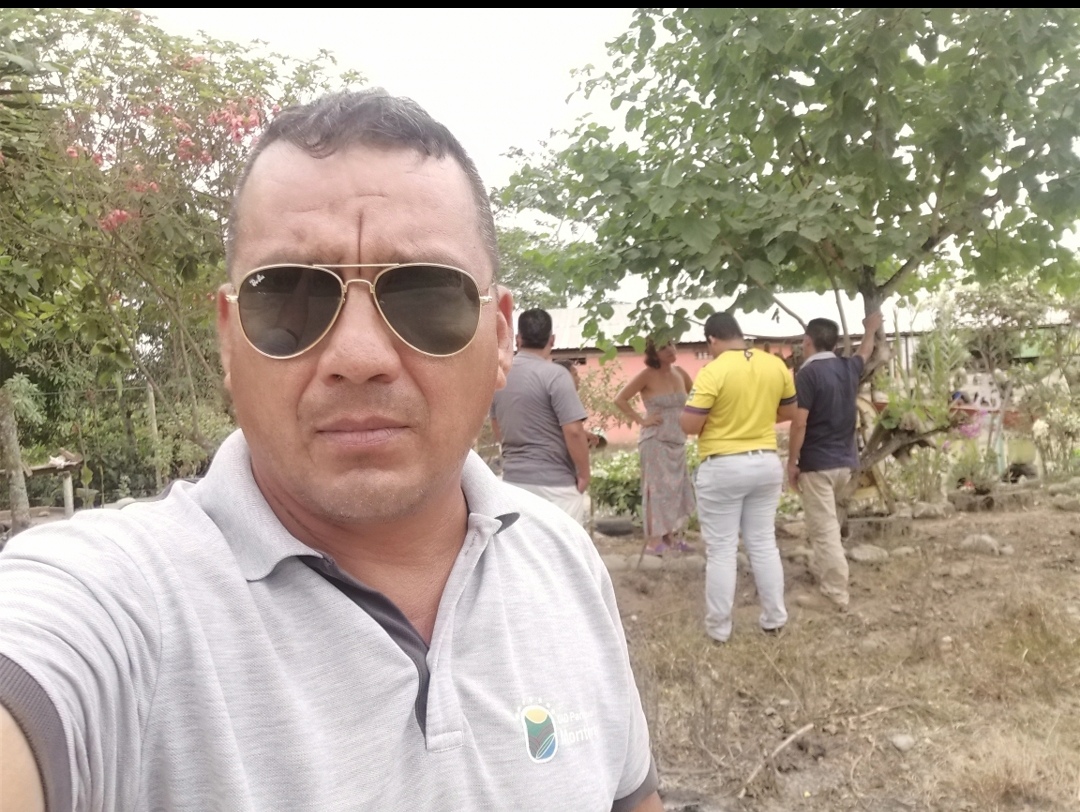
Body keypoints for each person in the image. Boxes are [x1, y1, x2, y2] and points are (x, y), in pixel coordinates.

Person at [0, 90, 661, 812]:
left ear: (500, 337)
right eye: (289, 297)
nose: (358, 356)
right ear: (229, 339)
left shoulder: (562, 560)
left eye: (425, 296)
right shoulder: (119, 602)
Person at [680, 313, 798, 643]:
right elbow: (790, 411)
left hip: (723, 466)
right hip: (765, 462)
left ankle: (719, 630)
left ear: (712, 340)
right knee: (763, 543)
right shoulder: (774, 365)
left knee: (721, 550)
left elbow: (689, 425)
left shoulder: (713, 371)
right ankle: (774, 620)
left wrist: (718, 419)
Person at [786, 311, 882, 612]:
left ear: (807, 342)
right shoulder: (847, 367)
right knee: (829, 525)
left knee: (824, 529)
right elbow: (865, 351)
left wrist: (792, 461)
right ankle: (828, 574)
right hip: (846, 461)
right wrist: (871, 329)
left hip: (818, 464)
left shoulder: (807, 375)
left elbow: (799, 423)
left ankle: (835, 594)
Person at [489, 309, 592, 525]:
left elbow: (498, 427)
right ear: (552, 340)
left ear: (518, 339)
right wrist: (584, 474)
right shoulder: (556, 375)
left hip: (514, 481)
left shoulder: (499, 375)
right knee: (563, 546)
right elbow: (574, 431)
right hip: (556, 485)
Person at [614, 338, 696, 555]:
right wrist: (641, 420)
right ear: (653, 352)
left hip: (678, 439)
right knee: (657, 489)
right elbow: (620, 399)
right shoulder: (646, 375)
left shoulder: (681, 373)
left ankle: (671, 536)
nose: (670, 350)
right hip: (656, 440)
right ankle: (654, 541)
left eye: (671, 344)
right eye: (663, 347)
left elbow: (697, 398)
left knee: (676, 488)